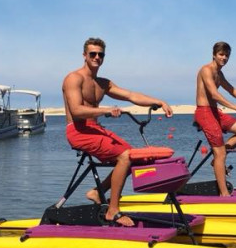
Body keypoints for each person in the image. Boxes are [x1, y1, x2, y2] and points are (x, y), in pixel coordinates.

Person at [63, 37, 173, 226]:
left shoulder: (102, 83)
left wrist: (159, 101)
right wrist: (105, 110)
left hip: (95, 129)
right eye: (92, 54)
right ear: (84, 55)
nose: (97, 57)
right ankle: (113, 210)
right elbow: (76, 110)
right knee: (125, 156)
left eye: (101, 54)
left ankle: (97, 192)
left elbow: (131, 95)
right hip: (78, 131)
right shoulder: (74, 78)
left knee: (135, 156)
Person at [194, 41, 236, 196]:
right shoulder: (206, 70)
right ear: (214, 55)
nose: (224, 58)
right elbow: (214, 94)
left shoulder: (220, 74)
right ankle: (224, 194)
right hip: (204, 113)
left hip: (214, 112)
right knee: (220, 154)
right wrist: (235, 107)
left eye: (227, 56)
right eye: (221, 54)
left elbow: (232, 90)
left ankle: (217, 160)